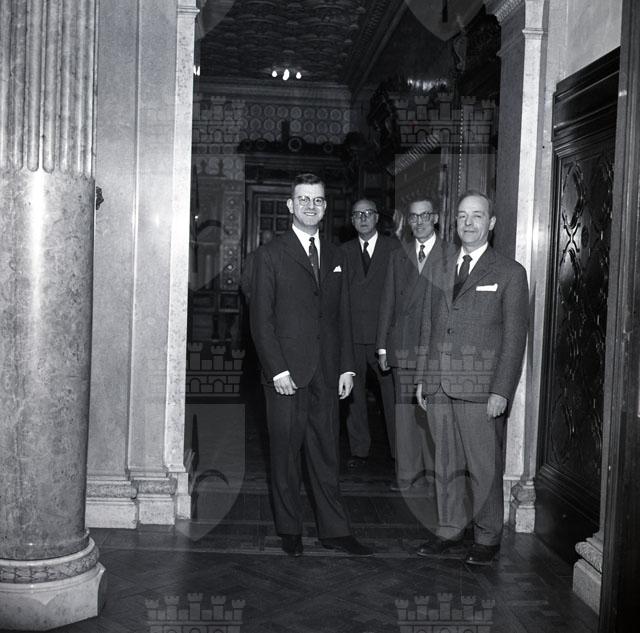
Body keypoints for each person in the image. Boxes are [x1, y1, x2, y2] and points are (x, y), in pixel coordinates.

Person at [250, 172, 373, 557]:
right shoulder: (270, 255)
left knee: (326, 453)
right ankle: (290, 530)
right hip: (286, 373)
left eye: (317, 200)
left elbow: (343, 315)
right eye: (303, 199)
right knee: (285, 454)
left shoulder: (337, 255)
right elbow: (261, 320)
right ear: (290, 204)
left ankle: (334, 531)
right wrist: (277, 370)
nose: (310, 206)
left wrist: (347, 367)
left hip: (328, 371)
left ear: (325, 206)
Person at [416, 190, 529, 565]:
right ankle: (449, 530)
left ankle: (487, 537)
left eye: (477, 216)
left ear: (491, 223)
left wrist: (501, 391)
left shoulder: (510, 273)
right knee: (445, 465)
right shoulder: (438, 268)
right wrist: (423, 379)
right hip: (438, 386)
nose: (468, 223)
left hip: (481, 390)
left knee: (483, 467)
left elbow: (514, 338)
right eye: (463, 216)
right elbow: (429, 327)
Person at [377, 197, 455, 491]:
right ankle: (407, 476)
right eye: (413, 217)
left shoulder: (452, 254)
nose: (419, 222)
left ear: (435, 218)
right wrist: (382, 346)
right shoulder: (399, 255)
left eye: (425, 216)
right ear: (408, 222)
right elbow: (386, 302)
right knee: (405, 415)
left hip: (436, 349)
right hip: (404, 346)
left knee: (435, 414)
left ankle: (437, 477)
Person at [340, 199, 398, 469]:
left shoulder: (394, 249)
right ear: (352, 221)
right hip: (352, 336)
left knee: (392, 396)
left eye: (368, 214)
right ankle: (359, 450)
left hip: (383, 338)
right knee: (354, 397)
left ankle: (399, 454)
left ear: (377, 218)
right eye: (357, 214)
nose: (363, 218)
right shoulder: (342, 252)